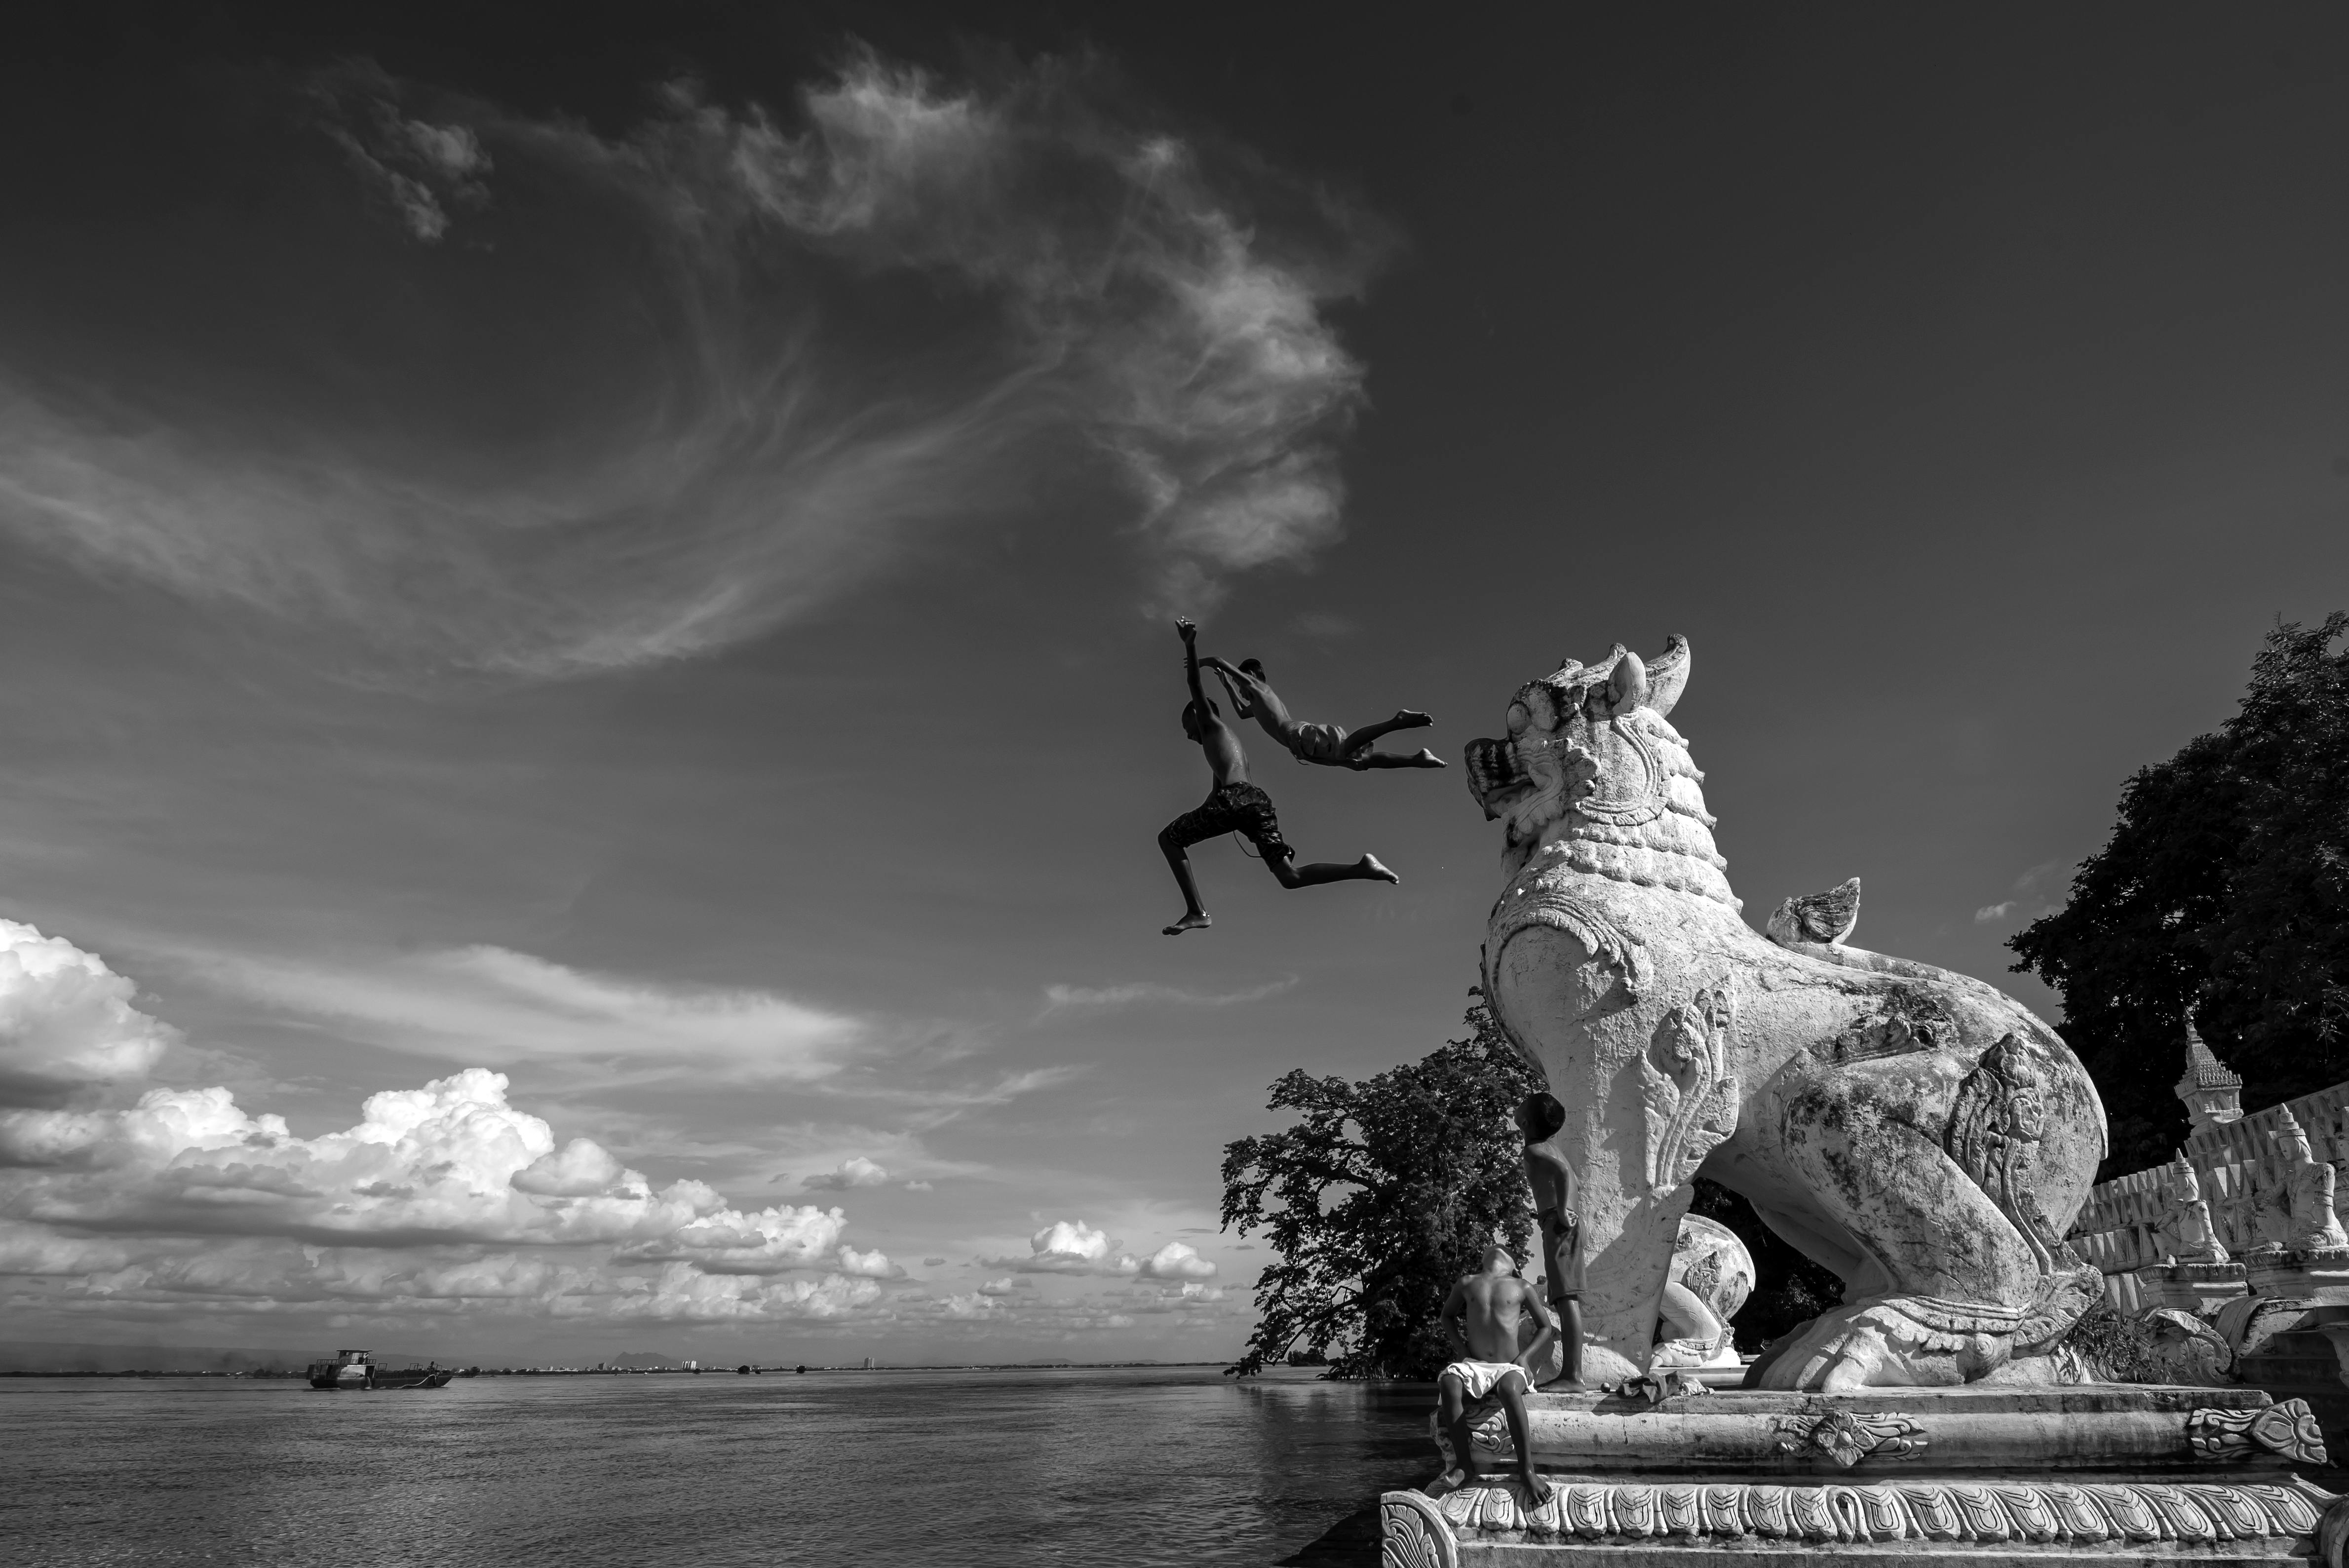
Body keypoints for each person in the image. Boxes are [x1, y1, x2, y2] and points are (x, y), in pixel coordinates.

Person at [1158, 618, 1399, 935]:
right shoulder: (1226, 746)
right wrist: (1206, 816)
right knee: (1290, 878)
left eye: (1184, 725)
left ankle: (1196, 911)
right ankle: (1362, 868)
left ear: (1197, 716)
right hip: (1256, 802)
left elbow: (1195, 687)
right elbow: (1212, 798)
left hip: (1236, 801)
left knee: (1168, 839)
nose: (1187, 733)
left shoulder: (1210, 723)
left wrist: (1190, 645)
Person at [1428, 1239, 1557, 1504]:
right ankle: (1464, 1465)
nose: (1498, 1248)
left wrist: (1525, 1357)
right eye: (1493, 1248)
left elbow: (1545, 1327)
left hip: (1510, 1365)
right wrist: (1461, 1350)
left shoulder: (1522, 1286)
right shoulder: (1467, 1283)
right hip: (1474, 1364)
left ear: (1514, 1268)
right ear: (1483, 1260)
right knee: (1449, 1383)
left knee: (1509, 1389)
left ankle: (1526, 1469)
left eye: (1506, 1250)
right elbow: (1446, 1316)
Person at [1199, 655, 1445, 770]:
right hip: (1299, 747)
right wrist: (1228, 686)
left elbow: (1222, 662)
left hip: (1298, 736)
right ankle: (1416, 760)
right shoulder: (1257, 704)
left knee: (1345, 746)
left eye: (1241, 685)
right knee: (1359, 762)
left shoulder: (1259, 689)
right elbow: (1242, 714)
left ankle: (1397, 721)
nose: (1242, 691)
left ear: (1250, 677)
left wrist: (1204, 661)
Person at [1517, 1091, 1588, 1391]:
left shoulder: (1533, 1150)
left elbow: (1561, 1174)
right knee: (1565, 1297)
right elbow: (1573, 1180)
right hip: (1563, 1224)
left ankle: (1573, 1376)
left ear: (1525, 1121)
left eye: (1521, 1105)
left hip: (1558, 1225)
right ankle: (1572, 1374)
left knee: (1565, 1298)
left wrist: (1559, 1211)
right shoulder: (1551, 1148)